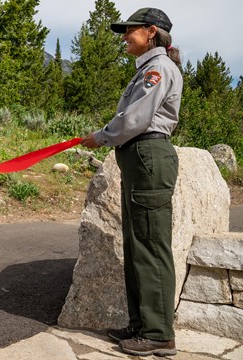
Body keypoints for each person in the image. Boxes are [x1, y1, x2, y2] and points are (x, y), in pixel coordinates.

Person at [80, 8, 182, 357]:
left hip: (148, 156)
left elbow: (135, 119)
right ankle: (141, 325)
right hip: (139, 159)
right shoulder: (148, 69)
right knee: (137, 244)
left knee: (151, 246)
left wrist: (102, 136)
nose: (125, 36)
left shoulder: (157, 69)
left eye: (130, 31)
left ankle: (158, 333)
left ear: (151, 31)